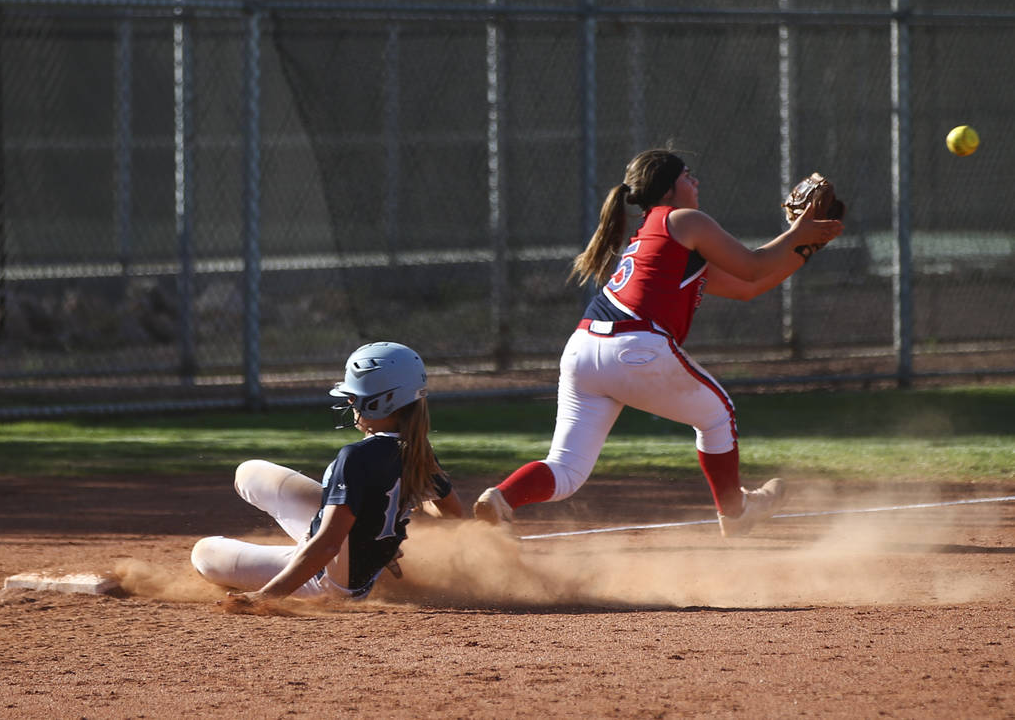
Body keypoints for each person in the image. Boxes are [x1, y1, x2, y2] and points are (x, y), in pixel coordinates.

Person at [473, 148, 844, 537]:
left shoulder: (657, 236)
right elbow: (752, 266)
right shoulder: (684, 220)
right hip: (634, 347)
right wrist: (797, 234)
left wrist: (805, 246)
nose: (695, 182)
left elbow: (749, 286)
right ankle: (737, 513)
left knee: (565, 470)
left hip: (583, 350)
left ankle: (501, 499)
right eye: (687, 176)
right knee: (718, 414)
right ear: (668, 189)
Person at [191, 341, 465, 602]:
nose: (350, 404)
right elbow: (452, 512)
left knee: (203, 553)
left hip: (332, 583)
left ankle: (313, 559)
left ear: (381, 402)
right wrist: (391, 520)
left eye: (354, 397)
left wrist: (266, 596)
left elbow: (328, 545)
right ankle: (366, 541)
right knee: (249, 472)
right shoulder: (419, 450)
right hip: (359, 558)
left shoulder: (355, 456)